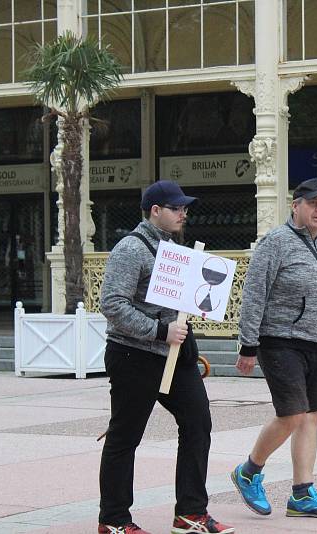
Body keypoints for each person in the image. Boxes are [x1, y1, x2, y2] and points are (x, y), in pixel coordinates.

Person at [98, 180, 233, 534]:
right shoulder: (131, 248)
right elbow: (112, 304)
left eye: (185, 208)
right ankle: (113, 520)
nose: (183, 213)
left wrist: (200, 304)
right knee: (125, 436)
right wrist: (159, 330)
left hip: (176, 355)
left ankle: (190, 513)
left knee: (198, 423)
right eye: (176, 208)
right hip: (134, 355)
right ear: (155, 210)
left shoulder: (177, 249)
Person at [232, 177, 317, 519]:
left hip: (314, 343)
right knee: (292, 413)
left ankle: (302, 493)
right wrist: (248, 344)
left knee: (311, 416)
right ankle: (248, 471)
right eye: (313, 203)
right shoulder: (275, 242)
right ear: (295, 206)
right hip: (279, 341)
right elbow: (254, 294)